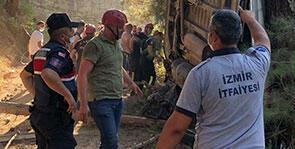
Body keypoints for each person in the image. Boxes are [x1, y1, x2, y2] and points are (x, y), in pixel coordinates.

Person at [156, 8, 271, 148]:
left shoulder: (201, 74)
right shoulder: (258, 63)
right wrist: (250, 20)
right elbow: (263, 40)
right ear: (239, 35)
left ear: (213, 37)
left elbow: (176, 129)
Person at [77, 9, 142, 149]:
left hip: (117, 99)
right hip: (100, 100)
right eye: (119, 28)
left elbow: (118, 66)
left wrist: (131, 83)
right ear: (109, 26)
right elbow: (82, 74)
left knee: (109, 140)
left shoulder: (115, 44)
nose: (121, 31)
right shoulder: (94, 45)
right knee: (111, 141)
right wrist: (83, 105)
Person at [23, 13, 82, 148]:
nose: (72, 34)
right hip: (56, 117)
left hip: (40, 113)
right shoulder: (59, 53)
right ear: (62, 36)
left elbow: (24, 76)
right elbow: (48, 73)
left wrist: (38, 95)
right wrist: (69, 97)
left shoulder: (42, 52)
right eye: (70, 31)